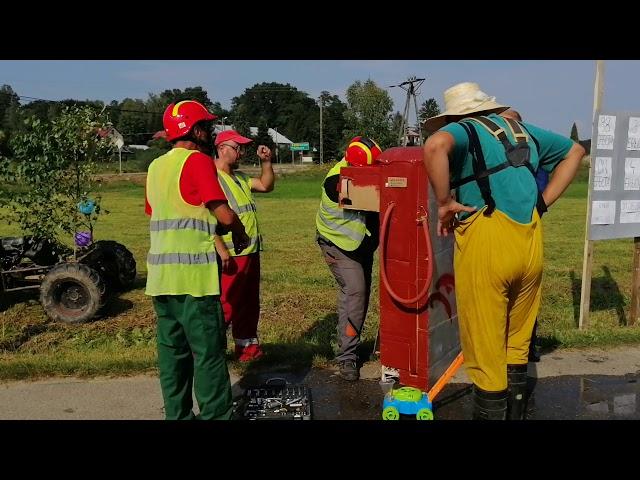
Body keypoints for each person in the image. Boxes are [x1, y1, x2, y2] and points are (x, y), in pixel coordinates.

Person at [422, 82, 585, 420]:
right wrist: (542, 203)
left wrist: (443, 203)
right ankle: (517, 412)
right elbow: (575, 152)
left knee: (484, 345)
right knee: (517, 337)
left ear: (457, 113)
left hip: (487, 240)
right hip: (530, 241)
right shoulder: (521, 130)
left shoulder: (464, 129)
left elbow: (435, 145)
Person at [145, 100, 250, 420]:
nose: (211, 133)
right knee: (207, 355)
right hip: (194, 281)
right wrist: (240, 231)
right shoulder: (197, 161)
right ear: (196, 130)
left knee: (173, 356)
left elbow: (165, 211)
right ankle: (217, 415)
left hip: (161, 280)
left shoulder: (155, 167)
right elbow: (222, 212)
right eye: (207, 126)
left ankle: (177, 415)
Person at [315, 136, 382, 381]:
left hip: (357, 246)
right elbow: (377, 202)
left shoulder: (357, 171)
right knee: (355, 293)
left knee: (358, 297)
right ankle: (346, 358)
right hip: (338, 245)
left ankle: (349, 347)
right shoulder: (339, 182)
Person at [213, 130, 275, 362]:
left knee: (248, 303)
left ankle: (247, 350)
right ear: (221, 148)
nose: (241, 152)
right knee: (227, 304)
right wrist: (220, 248)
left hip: (249, 251)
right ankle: (212, 352)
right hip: (231, 253)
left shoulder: (238, 177)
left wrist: (266, 162)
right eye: (236, 147)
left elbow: (265, 185)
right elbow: (205, 216)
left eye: (242, 148)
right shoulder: (211, 176)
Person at [500, 108, 544, 362]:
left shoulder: (529, 156)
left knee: (524, 297)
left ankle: (527, 346)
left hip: (525, 233)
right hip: (499, 232)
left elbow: (540, 188)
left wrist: (538, 206)